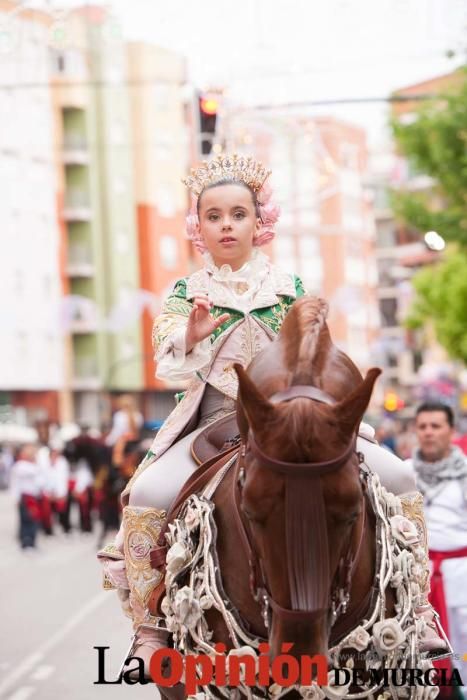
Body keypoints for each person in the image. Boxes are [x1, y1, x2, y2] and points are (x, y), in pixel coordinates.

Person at [98, 154, 446, 677]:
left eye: (238, 214)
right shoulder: (185, 292)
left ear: (260, 222)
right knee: (147, 493)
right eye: (213, 216)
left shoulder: (290, 289)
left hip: (295, 420)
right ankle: (152, 626)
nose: (226, 225)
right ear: (198, 227)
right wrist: (189, 337)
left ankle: (417, 610)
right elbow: (167, 362)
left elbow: (321, 352)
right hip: (214, 422)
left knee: (397, 474)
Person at [406, 402, 467, 687]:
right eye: (423, 426)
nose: (429, 432)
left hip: (461, 577)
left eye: (436, 426)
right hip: (413, 581)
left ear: (451, 431)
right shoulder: (403, 474)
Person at [10, 444, 42, 550]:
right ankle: (26, 543)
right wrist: (16, 498)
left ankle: (32, 542)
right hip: (26, 497)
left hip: (34, 496)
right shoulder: (20, 466)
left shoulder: (32, 465)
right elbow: (15, 483)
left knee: (33, 521)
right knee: (27, 521)